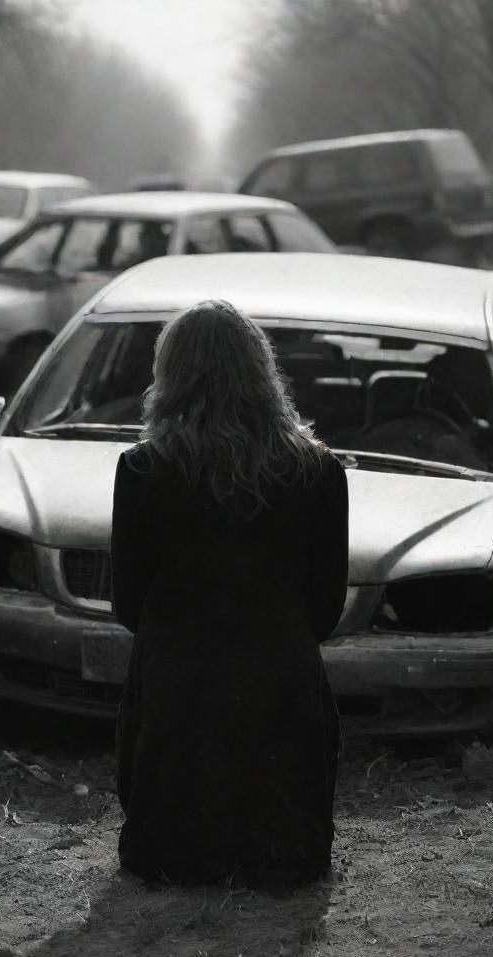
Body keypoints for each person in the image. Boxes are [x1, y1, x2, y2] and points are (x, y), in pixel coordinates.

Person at [110, 299, 349, 889]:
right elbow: (326, 609)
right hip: (281, 683)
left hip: (176, 688)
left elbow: (126, 603)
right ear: (262, 373)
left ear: (169, 375)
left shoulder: (141, 470)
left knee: (167, 852)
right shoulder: (319, 472)